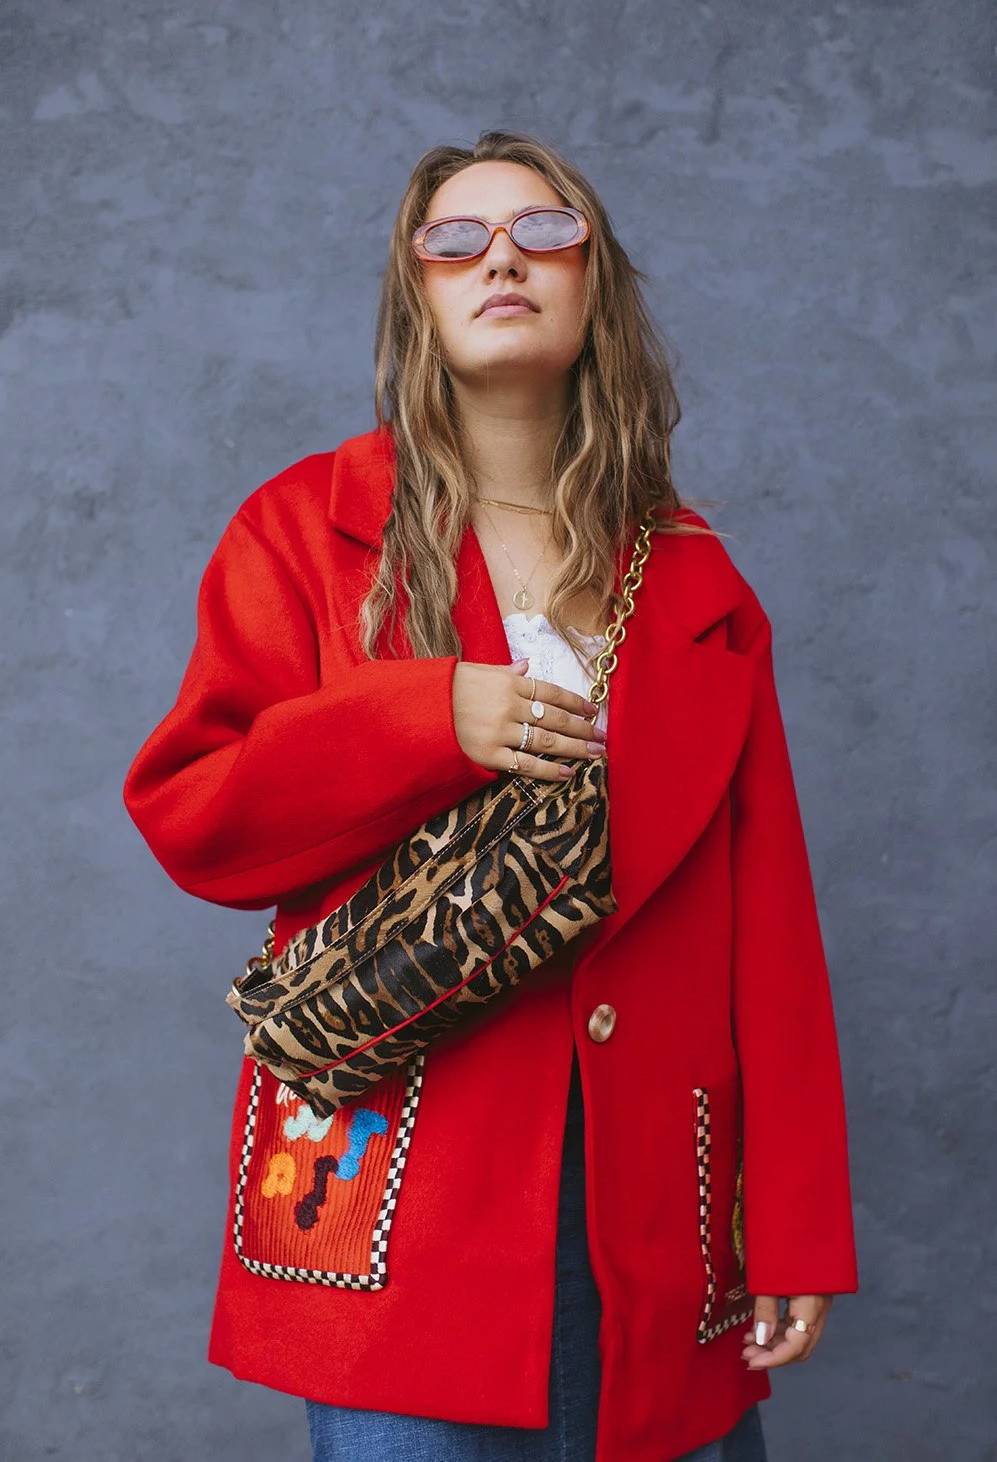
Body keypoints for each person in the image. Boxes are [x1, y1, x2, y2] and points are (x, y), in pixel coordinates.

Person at [123, 129, 858, 1462]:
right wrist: (423, 721)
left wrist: (796, 1216)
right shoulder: (303, 529)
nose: (503, 255)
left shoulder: (698, 584)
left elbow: (772, 919)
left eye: (546, 231)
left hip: (654, 1200)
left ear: (598, 289)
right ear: (418, 298)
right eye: (455, 238)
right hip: (401, 1189)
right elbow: (193, 812)